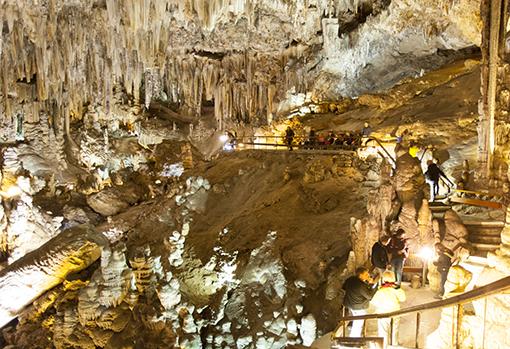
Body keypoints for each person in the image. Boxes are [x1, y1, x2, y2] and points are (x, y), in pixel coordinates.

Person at [370, 271, 406, 345]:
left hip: (383, 313)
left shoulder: (380, 290)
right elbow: (403, 298)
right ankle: (394, 345)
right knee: (395, 330)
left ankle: (385, 345)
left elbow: (374, 302)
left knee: (383, 331)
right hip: (395, 312)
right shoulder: (397, 289)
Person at [342, 267, 379, 337]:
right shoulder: (361, 285)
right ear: (360, 275)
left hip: (349, 304)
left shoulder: (350, 279)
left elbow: (344, 287)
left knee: (355, 320)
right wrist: (372, 285)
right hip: (359, 306)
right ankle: (354, 339)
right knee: (358, 324)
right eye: (366, 274)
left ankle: (353, 336)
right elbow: (369, 296)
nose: (368, 275)